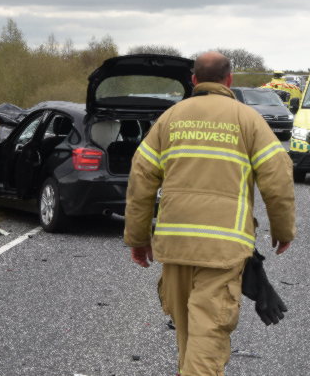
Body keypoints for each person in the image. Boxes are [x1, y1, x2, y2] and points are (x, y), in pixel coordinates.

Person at [124, 52, 296, 376]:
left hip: (175, 245)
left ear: (194, 81)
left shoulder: (170, 119)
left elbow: (141, 178)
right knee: (207, 339)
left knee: (189, 337)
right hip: (222, 247)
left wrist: (137, 237)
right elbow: (278, 177)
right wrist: (282, 230)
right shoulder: (248, 120)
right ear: (228, 80)